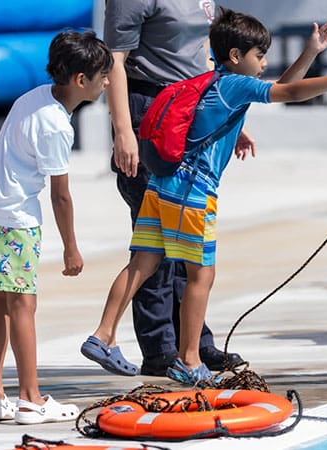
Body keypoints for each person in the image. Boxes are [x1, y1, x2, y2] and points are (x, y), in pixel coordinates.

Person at [82, 7, 327, 384]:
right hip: (193, 193)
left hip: (162, 185)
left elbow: (279, 87)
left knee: (142, 262)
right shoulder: (236, 86)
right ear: (236, 56)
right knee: (201, 274)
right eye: (259, 56)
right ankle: (189, 360)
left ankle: (103, 335)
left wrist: (310, 52)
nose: (264, 63)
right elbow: (289, 92)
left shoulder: (210, 80)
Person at [0, 30, 111, 424]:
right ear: (81, 80)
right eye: (102, 76)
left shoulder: (33, 97)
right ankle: (31, 397)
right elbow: (61, 195)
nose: (105, 83)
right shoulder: (56, 126)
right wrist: (71, 246)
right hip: (14, 218)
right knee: (23, 305)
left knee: (2, 302)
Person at [102, 0, 246, 377]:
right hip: (150, 109)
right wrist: (123, 132)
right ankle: (160, 348)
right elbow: (114, 61)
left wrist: (224, 117)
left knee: (188, 236)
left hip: (191, 109)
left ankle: (193, 345)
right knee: (156, 242)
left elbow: (204, 57)